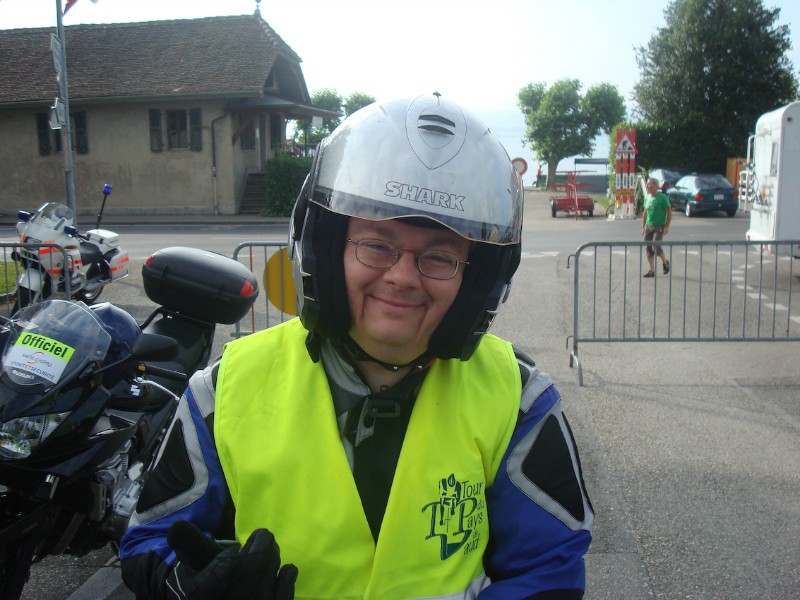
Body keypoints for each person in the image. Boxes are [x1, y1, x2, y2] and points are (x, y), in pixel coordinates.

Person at [119, 93, 594, 599]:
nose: (403, 277)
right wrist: (191, 587)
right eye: (376, 246)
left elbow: (549, 570)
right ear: (324, 251)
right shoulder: (224, 391)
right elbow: (151, 539)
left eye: (440, 257)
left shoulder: (518, 400)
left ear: (476, 283)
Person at [641, 176, 673, 277]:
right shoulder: (647, 197)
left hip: (659, 226)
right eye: (646, 184)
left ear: (655, 185)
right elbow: (645, 213)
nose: (647, 186)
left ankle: (665, 263)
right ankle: (652, 270)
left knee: (656, 246)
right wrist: (643, 226)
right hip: (648, 226)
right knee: (648, 249)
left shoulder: (662, 197)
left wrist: (667, 226)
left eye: (649, 184)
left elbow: (669, 212)